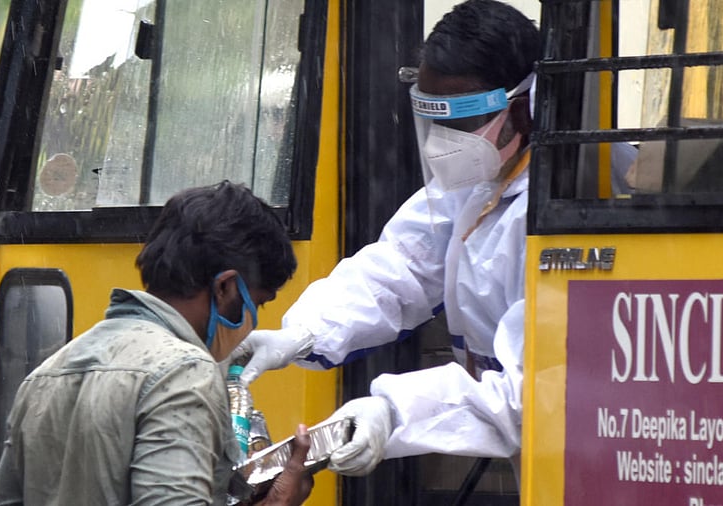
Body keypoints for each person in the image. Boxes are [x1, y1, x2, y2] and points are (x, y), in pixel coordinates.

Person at [230, 0, 541, 478]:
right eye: (434, 122)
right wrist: (304, 334)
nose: (442, 141)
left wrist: (395, 411)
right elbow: (400, 266)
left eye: (457, 122)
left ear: (520, 109)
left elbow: (533, 390)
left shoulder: (565, 201)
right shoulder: (480, 182)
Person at [0, 181, 312, 505]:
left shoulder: (45, 375)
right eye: (258, 304)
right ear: (225, 287)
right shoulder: (185, 373)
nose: (253, 320)